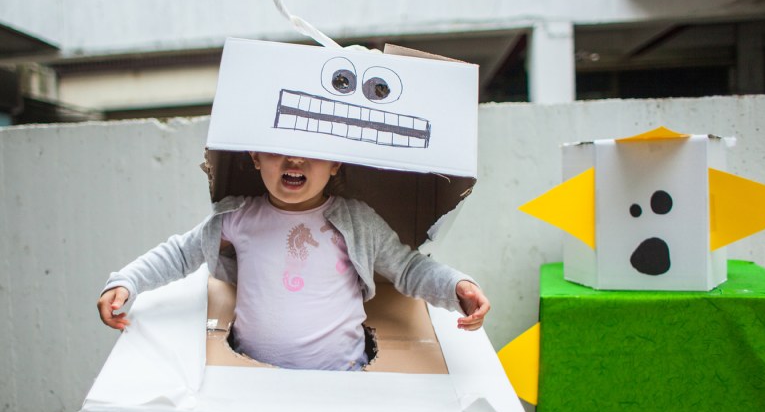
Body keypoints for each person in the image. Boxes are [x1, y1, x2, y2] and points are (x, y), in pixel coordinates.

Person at [97, 152, 490, 370]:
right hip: (254, 378)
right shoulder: (238, 217)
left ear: (336, 162)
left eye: (312, 152)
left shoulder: (357, 220)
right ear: (254, 156)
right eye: (277, 149)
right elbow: (181, 252)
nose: (294, 161)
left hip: (344, 377)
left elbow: (408, 269)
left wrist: (457, 287)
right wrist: (126, 281)